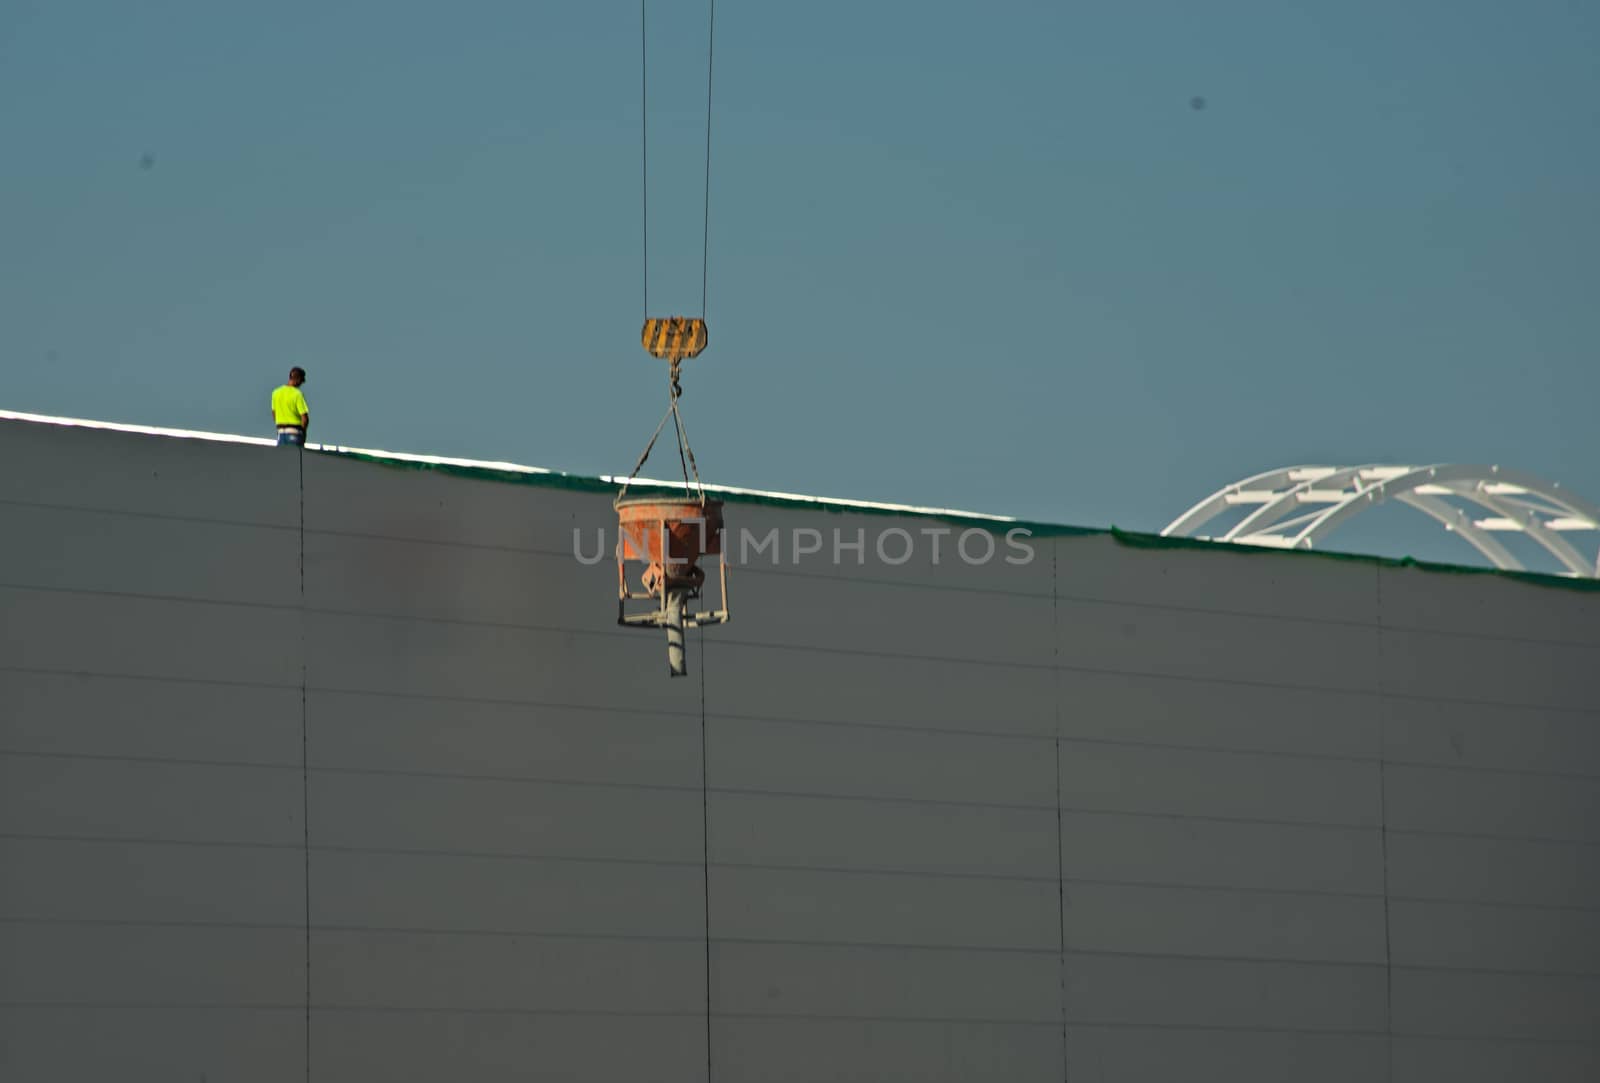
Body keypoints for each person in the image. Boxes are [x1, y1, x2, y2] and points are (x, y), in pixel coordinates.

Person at [271, 367, 310, 446]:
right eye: (302, 381)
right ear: (298, 379)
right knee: (295, 456)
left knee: (282, 457)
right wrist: (303, 433)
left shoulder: (276, 393)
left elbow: (274, 413)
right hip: (294, 432)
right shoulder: (297, 394)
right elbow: (304, 418)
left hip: (280, 433)